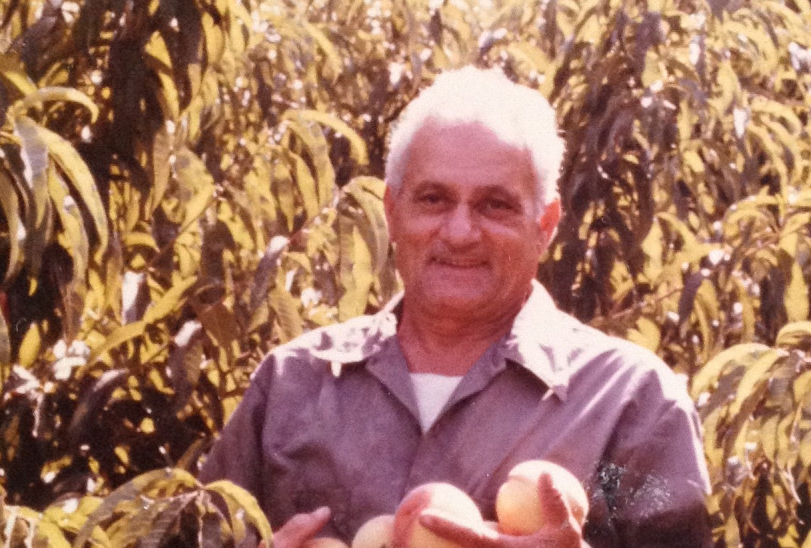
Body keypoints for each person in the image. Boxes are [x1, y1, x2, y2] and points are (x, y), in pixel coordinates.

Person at [199, 67, 713, 547]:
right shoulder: (293, 389)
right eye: (434, 199)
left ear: (546, 225)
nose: (461, 232)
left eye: (496, 204)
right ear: (393, 213)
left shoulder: (627, 406)